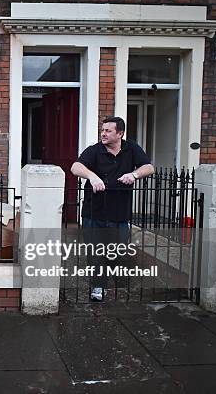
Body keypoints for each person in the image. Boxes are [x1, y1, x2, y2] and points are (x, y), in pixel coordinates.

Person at [70, 116, 155, 301]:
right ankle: (97, 288)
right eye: (103, 130)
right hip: (95, 211)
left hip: (120, 212)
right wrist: (92, 177)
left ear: (120, 133)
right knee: (95, 253)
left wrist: (134, 174)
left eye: (108, 130)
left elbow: (149, 167)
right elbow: (75, 167)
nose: (103, 133)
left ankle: (116, 280)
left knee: (118, 251)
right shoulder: (95, 150)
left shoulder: (131, 148)